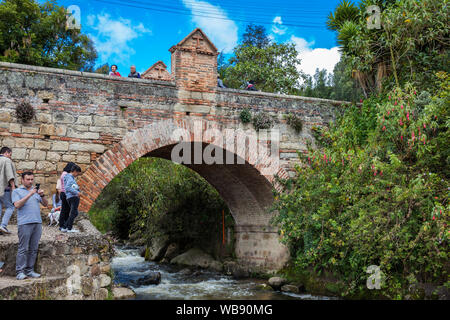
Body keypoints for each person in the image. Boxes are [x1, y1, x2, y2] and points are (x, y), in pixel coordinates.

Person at [12, 171, 48, 280]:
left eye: (32, 179)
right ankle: (20, 272)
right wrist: (30, 194)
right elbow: (17, 205)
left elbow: (46, 204)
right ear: (22, 180)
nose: (30, 181)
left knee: (33, 248)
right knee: (23, 248)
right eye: (28, 179)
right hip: (24, 223)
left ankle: (30, 270)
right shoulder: (17, 191)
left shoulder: (36, 192)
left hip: (37, 222)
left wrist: (42, 195)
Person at [0, 147, 17, 234]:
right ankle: (3, 226)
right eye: (10, 155)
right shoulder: (6, 160)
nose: (10, 157)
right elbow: (10, 175)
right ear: (6, 152)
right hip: (4, 189)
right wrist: (13, 187)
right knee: (10, 207)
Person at [62, 164, 82, 233]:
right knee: (74, 213)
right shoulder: (70, 177)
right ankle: (68, 228)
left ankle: (65, 227)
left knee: (75, 213)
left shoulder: (67, 177)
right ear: (75, 171)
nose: (77, 175)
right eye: (78, 173)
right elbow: (68, 187)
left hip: (69, 197)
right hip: (73, 197)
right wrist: (77, 193)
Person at [58, 162, 75, 232]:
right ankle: (63, 226)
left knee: (65, 210)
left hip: (63, 193)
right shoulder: (66, 175)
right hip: (65, 194)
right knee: (66, 210)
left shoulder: (63, 174)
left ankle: (64, 226)